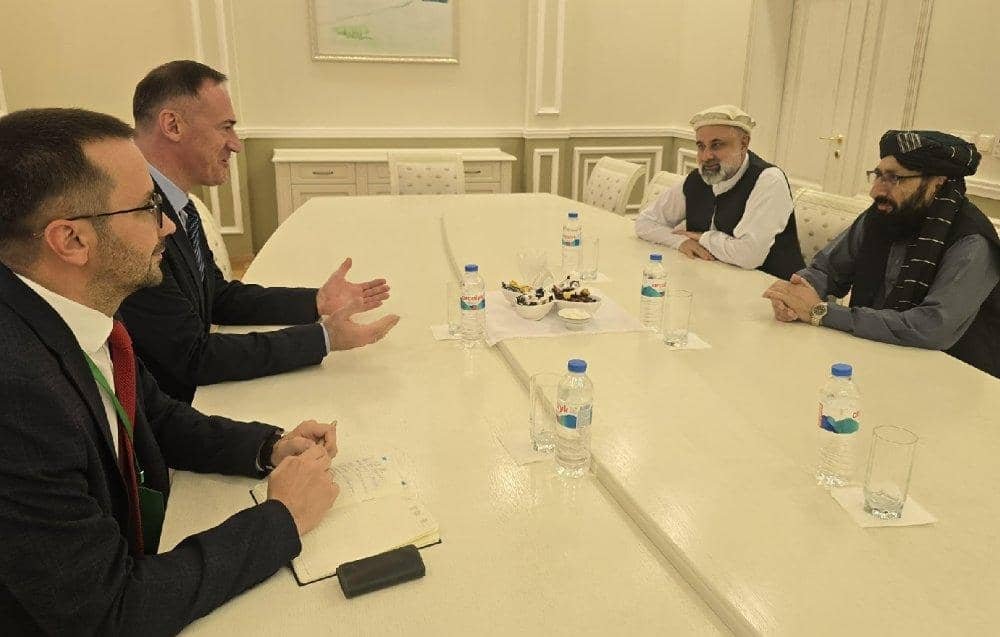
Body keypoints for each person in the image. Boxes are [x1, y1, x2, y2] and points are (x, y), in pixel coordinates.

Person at [0, 108, 341, 633]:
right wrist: (281, 519)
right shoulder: (18, 395)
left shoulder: (76, 306)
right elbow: (110, 612)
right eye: (148, 207)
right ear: (71, 241)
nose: (167, 225)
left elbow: (155, 417)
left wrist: (269, 446)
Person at [123, 59, 399, 403]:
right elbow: (193, 357)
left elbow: (218, 298)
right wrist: (323, 338)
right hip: (175, 414)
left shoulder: (176, 203)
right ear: (172, 125)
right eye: (225, 128)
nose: (236, 144)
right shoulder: (132, 220)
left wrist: (316, 301)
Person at [763, 130, 1000, 378]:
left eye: (894, 178)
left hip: (950, 376)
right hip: (868, 356)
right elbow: (827, 270)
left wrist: (822, 312)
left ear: (937, 183)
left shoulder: (971, 241)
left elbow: (931, 327)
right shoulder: (883, 214)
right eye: (878, 175)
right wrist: (796, 295)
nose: (875, 191)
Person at [635, 104, 805, 279]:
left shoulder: (768, 180)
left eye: (716, 145)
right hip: (711, 279)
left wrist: (703, 238)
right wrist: (680, 241)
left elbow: (748, 256)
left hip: (772, 286)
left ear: (744, 143)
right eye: (701, 146)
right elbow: (645, 222)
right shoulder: (699, 177)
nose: (706, 156)